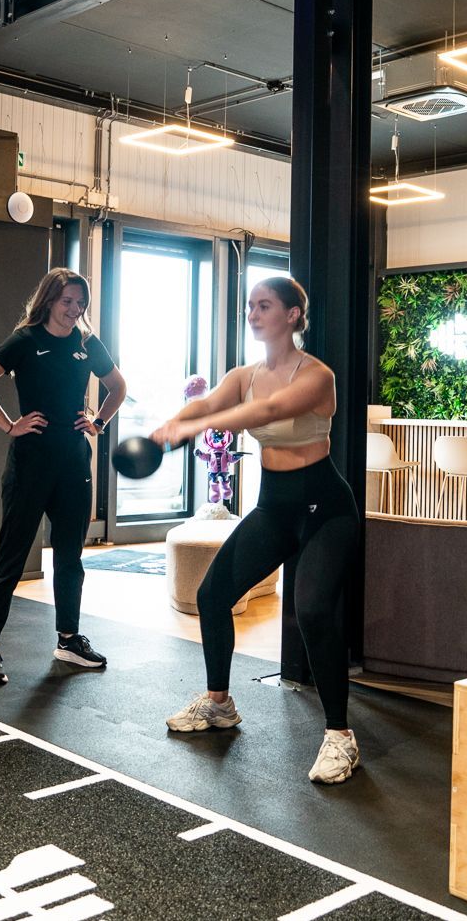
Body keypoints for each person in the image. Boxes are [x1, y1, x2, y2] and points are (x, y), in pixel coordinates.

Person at [154, 277, 363, 784]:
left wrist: (199, 427)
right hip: (274, 505)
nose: (253, 313)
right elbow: (206, 405)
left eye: (264, 306)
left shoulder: (318, 376)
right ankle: (219, 704)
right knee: (212, 595)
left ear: (293, 315)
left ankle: (340, 736)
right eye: (250, 306)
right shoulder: (244, 375)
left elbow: (270, 411)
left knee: (311, 609)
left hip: (325, 509)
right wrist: (173, 422)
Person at [0, 268, 127, 686]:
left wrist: (99, 421)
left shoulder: (87, 344)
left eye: (80, 303)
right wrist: (8, 424)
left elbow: (117, 386)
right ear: (50, 300)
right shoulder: (26, 339)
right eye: (67, 301)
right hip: (31, 462)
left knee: (70, 556)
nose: (75, 310)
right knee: (12, 556)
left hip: (73, 461)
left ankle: (68, 640)